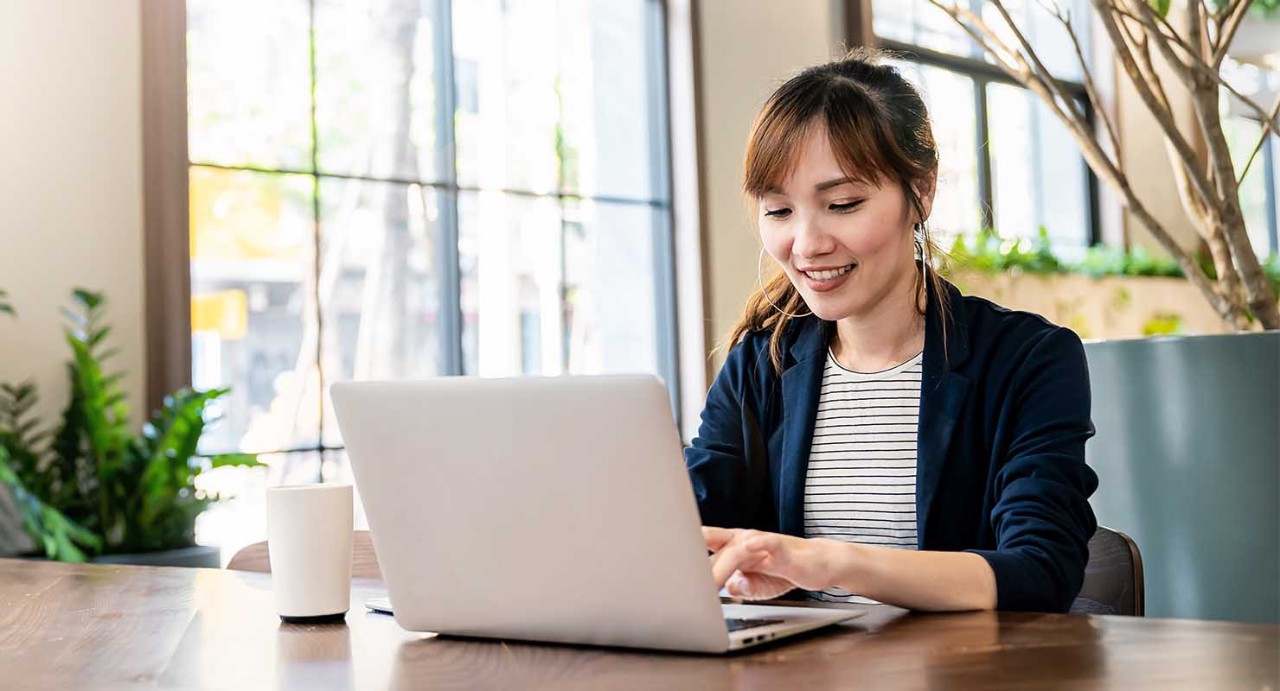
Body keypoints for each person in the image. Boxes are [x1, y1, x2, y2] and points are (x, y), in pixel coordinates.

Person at [686, 48, 1099, 613]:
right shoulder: (764, 362)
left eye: (842, 203)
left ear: (921, 192)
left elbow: (1040, 569)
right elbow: (684, 526)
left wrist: (827, 561)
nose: (806, 245)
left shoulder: (1027, 359)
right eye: (779, 211)